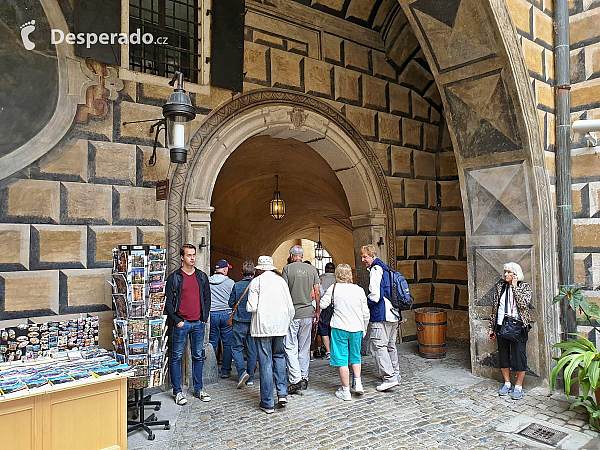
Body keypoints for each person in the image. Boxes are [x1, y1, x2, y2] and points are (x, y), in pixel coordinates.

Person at [246, 255, 295, 414]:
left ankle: (267, 402)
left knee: (266, 362)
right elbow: (290, 306)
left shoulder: (256, 282)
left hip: (263, 327)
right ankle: (282, 393)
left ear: (259, 269)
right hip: (280, 326)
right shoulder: (281, 281)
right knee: (279, 357)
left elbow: (251, 307)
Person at [165, 244, 211, 405]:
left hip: (198, 323)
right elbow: (168, 302)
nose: (192, 258)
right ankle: (177, 392)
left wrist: (204, 318)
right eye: (189, 255)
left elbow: (207, 298)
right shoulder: (175, 277)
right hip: (182, 323)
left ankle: (198, 389)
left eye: (194, 255)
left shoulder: (202, 277)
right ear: (182, 258)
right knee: (176, 357)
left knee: (198, 356)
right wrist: (177, 321)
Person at [320, 263, 369, 401]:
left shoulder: (334, 288)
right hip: (356, 328)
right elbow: (366, 313)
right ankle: (358, 384)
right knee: (355, 356)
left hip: (339, 327)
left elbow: (323, 304)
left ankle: (346, 391)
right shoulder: (358, 290)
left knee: (342, 359)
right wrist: (364, 327)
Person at [488, 262, 532, 400]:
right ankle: (507, 383)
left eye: (509, 272)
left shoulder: (524, 287)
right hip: (502, 324)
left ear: (516, 274)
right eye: (505, 272)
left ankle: (518, 386)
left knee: (519, 356)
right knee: (504, 355)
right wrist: (492, 327)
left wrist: (514, 287)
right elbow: (495, 308)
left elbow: (523, 304)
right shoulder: (500, 286)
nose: (506, 274)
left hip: (518, 326)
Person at [360, 244, 401, 392]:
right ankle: (395, 374)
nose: (363, 259)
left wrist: (365, 303)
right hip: (393, 313)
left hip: (381, 314)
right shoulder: (386, 268)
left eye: (365, 256)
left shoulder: (375, 270)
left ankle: (389, 378)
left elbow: (375, 295)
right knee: (390, 346)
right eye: (362, 257)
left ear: (372, 255)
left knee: (378, 346)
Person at [282, 245, 320, 394]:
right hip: (307, 313)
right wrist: (317, 311)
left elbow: (284, 291)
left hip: (292, 314)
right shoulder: (312, 270)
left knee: (290, 345)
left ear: (292, 256)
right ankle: (304, 376)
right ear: (302, 256)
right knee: (305, 346)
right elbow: (317, 291)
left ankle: (295, 378)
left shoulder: (287, 269)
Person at [228, 261, 257, 388]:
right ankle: (250, 377)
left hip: (239, 320)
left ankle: (242, 373)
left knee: (237, 348)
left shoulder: (237, 285)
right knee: (252, 349)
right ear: (254, 273)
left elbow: (231, 303)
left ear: (242, 272)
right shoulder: (257, 285)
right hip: (253, 321)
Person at [208, 259, 235, 378]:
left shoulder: (207, 281)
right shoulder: (230, 283)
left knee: (212, 342)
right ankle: (225, 371)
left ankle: (210, 370)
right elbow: (233, 300)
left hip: (212, 314)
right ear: (224, 270)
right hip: (226, 314)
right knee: (227, 343)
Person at [317, 262, 336, 359]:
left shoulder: (321, 277)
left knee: (324, 327)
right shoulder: (337, 278)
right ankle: (335, 350)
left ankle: (328, 351)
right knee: (334, 328)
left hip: (324, 305)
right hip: (336, 305)